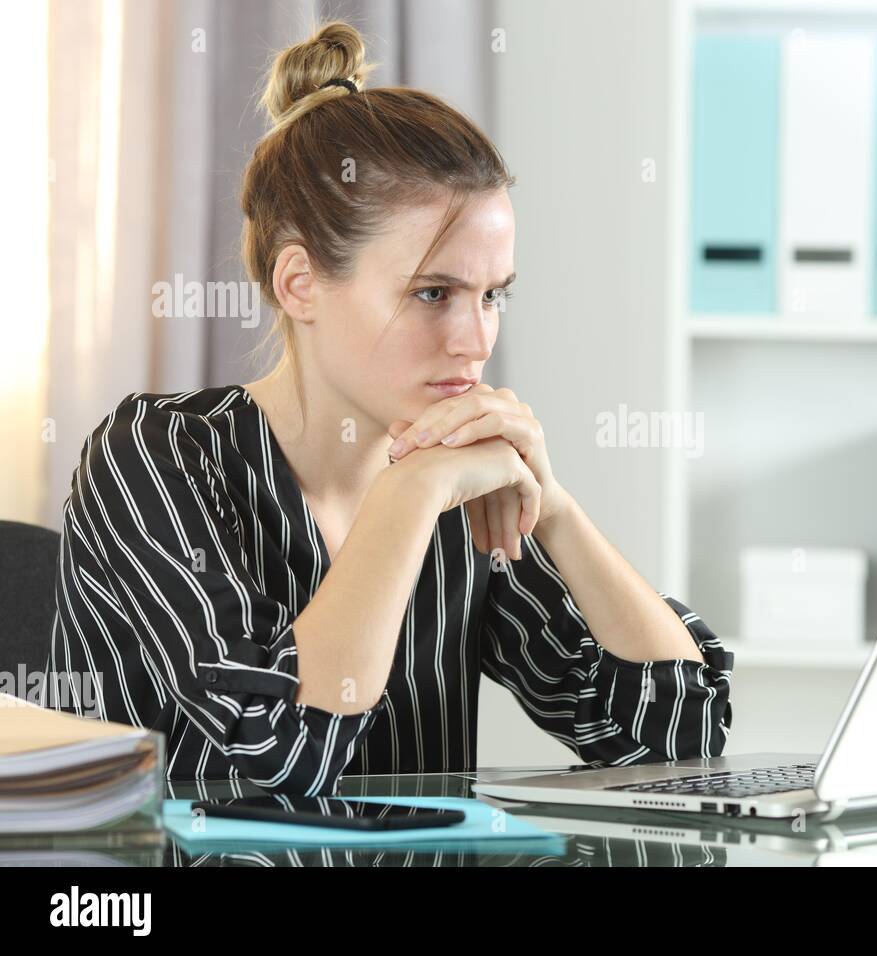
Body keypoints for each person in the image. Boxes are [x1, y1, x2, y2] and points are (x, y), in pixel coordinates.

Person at [43, 20, 732, 795]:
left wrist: (559, 511)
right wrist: (407, 495)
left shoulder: (464, 483)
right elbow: (271, 760)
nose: (475, 341)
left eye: (493, 295)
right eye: (432, 293)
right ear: (299, 282)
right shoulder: (156, 455)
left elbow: (677, 737)